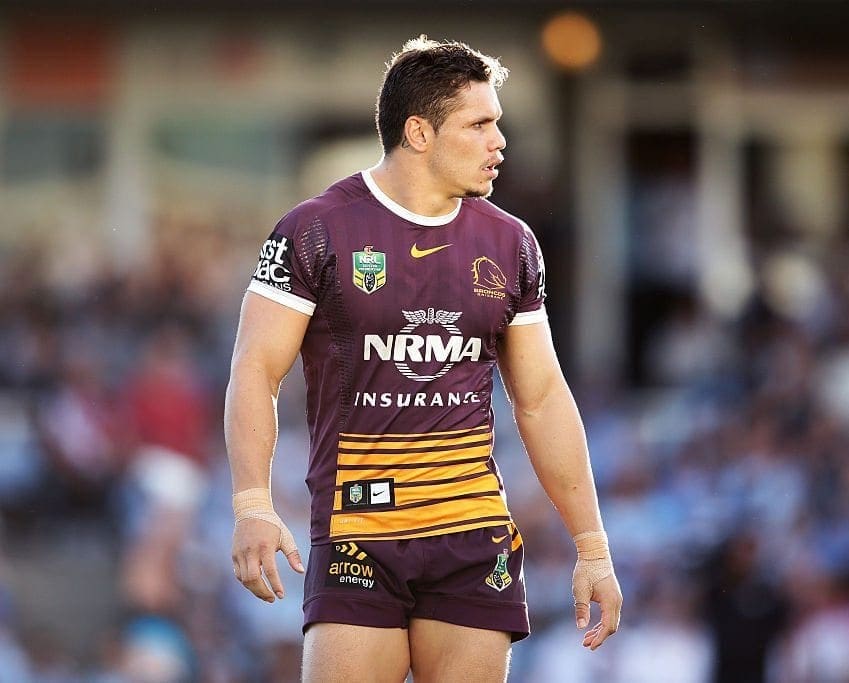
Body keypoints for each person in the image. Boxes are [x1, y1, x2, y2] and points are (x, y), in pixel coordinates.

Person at [225, 36, 622, 682]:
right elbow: (254, 370)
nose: (499, 140)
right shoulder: (314, 231)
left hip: (471, 536)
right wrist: (251, 504)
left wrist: (593, 548)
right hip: (357, 529)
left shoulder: (511, 242)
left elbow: (542, 397)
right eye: (480, 124)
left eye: (498, 123)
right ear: (419, 132)